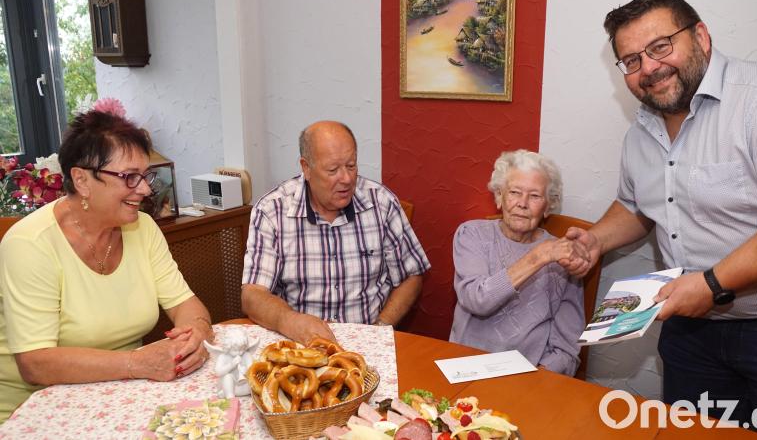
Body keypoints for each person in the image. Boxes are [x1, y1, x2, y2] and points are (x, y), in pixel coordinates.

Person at [563, 0, 757, 438]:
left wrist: (712, 284)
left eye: (660, 47)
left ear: (701, 37)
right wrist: (596, 240)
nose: (649, 68)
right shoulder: (641, 129)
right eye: (631, 60)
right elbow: (638, 207)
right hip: (690, 333)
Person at [0, 110, 214, 423]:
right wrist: (137, 363)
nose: (144, 189)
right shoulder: (30, 244)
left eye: (145, 175)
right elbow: (35, 363)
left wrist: (197, 334)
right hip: (34, 410)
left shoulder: (143, 229)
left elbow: (187, 305)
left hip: (120, 397)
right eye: (129, 177)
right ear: (82, 180)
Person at [241, 120, 431, 344]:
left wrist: (380, 328)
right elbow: (252, 295)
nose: (347, 179)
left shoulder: (381, 202)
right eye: (333, 170)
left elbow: (412, 275)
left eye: (351, 166)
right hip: (299, 345)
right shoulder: (272, 211)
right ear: (306, 168)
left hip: (369, 341)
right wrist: (289, 321)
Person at [450, 150, 585, 376]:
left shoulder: (562, 253)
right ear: (500, 196)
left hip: (529, 374)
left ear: (548, 205)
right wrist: (537, 257)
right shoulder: (472, 235)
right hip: (466, 367)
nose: (522, 203)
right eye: (514, 192)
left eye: (534, 196)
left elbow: (567, 346)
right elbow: (477, 299)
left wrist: (538, 379)